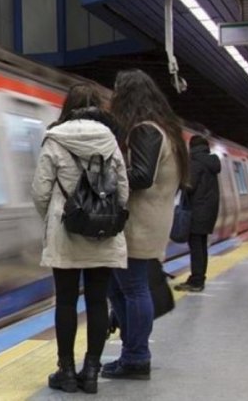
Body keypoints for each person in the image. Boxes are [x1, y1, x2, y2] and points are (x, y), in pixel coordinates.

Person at [32, 83, 129, 394]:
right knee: (98, 300)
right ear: (99, 108)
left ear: (68, 107)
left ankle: (67, 372)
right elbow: (124, 192)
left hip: (65, 232)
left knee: (66, 301)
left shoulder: (55, 139)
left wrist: (57, 216)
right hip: (102, 233)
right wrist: (104, 214)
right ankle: (91, 371)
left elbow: (40, 191)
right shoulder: (111, 141)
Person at [103, 70, 189, 381]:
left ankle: (137, 357)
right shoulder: (166, 130)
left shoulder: (145, 131)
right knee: (120, 287)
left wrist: (107, 177)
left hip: (139, 222)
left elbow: (141, 176)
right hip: (152, 219)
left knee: (133, 288)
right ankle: (132, 352)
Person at [175, 135, 221, 292]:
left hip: (196, 211)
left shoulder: (195, 162)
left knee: (196, 247)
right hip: (207, 212)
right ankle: (199, 278)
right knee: (201, 246)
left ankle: (196, 281)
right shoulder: (210, 162)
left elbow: (189, 185)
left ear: (191, 147)